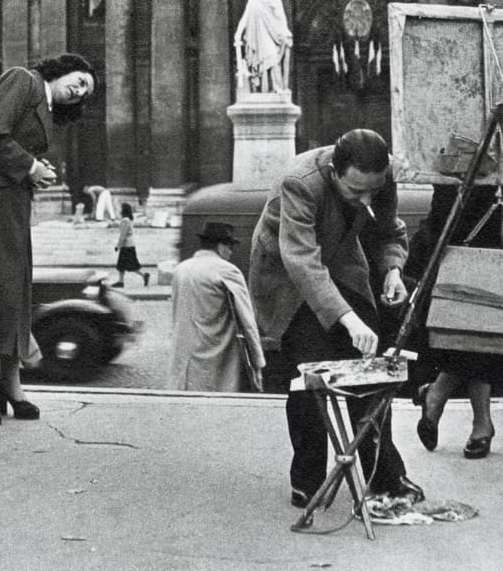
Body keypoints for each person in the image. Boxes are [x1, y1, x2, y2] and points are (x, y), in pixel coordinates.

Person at [249, 129, 424, 507]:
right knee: (312, 374)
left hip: (341, 264)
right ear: (332, 172)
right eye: (355, 192)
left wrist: (392, 269)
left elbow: (387, 230)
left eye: (372, 192)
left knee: (372, 371)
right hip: (287, 276)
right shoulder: (299, 182)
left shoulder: (379, 177)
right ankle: (308, 479)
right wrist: (348, 318)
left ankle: (384, 477)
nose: (366, 200)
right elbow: (303, 261)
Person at [0, 53, 95, 426]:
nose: (81, 90)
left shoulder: (41, 100)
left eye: (87, 92)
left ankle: (11, 382)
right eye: (81, 79)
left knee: (10, 287)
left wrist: (32, 169)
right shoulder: (22, 80)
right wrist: (31, 166)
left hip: (6, 197)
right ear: (62, 69)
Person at [405, 183, 503, 459]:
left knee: (482, 323)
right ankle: (481, 422)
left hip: (492, 217)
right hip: (452, 217)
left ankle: (437, 395)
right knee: (461, 321)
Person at [169, 221, 265, 392]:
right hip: (215, 358)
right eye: (230, 247)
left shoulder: (180, 270)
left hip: (182, 356)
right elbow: (247, 321)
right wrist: (257, 363)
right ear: (221, 247)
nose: (231, 252)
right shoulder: (227, 270)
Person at [233, 0, 292, 93]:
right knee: (260, 64)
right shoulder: (252, 1)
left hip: (272, 36)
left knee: (273, 59)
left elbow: (281, 18)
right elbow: (245, 18)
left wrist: (285, 32)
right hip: (257, 38)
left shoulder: (276, 0)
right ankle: (261, 90)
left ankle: (276, 88)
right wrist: (238, 33)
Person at [113, 202, 148, 287]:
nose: (119, 210)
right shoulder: (129, 219)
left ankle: (143, 275)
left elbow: (123, 235)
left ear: (123, 210)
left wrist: (118, 246)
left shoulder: (125, 220)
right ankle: (121, 281)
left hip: (126, 246)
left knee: (130, 265)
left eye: (120, 208)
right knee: (122, 265)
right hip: (129, 245)